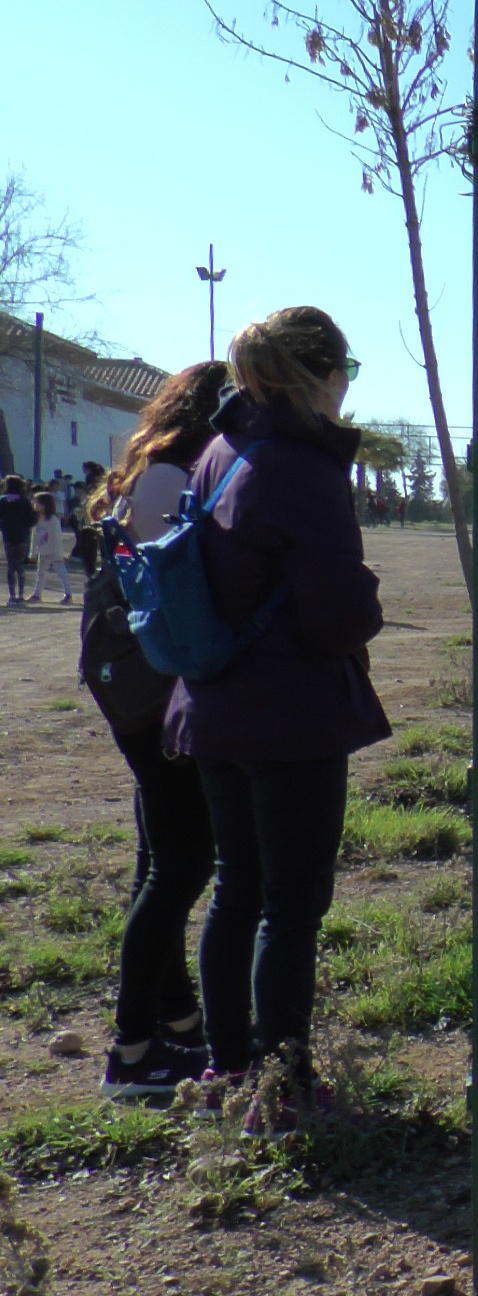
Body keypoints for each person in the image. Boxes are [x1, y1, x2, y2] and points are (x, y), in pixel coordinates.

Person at [166, 308, 389, 1130]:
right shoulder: (303, 464)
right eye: (348, 372)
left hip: (213, 702)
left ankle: (228, 1069)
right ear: (324, 375)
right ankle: (283, 1087)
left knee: (237, 889)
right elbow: (339, 615)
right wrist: (366, 601)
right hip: (289, 714)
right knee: (291, 907)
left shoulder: (220, 450)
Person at [87, 361, 230, 1100]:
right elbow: (185, 592)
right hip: (156, 693)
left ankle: (175, 1021)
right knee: (180, 867)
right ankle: (132, 1051)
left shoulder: (152, 469)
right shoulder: (174, 478)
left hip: (138, 689)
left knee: (161, 862)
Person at [28, 492, 73, 603]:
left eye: (37, 502)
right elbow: (35, 538)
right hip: (42, 551)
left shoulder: (53, 520)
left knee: (62, 573)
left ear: (45, 505)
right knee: (40, 574)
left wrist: (58, 554)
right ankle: (37, 594)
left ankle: (68, 594)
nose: (34, 504)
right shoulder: (37, 519)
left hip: (53, 552)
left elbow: (56, 539)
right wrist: (33, 553)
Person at [0, 475, 33, 605]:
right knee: (20, 566)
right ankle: (21, 595)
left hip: (8, 535)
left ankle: (12, 595)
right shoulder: (25, 501)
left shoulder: (2, 501)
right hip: (22, 535)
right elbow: (32, 519)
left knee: (10, 565)